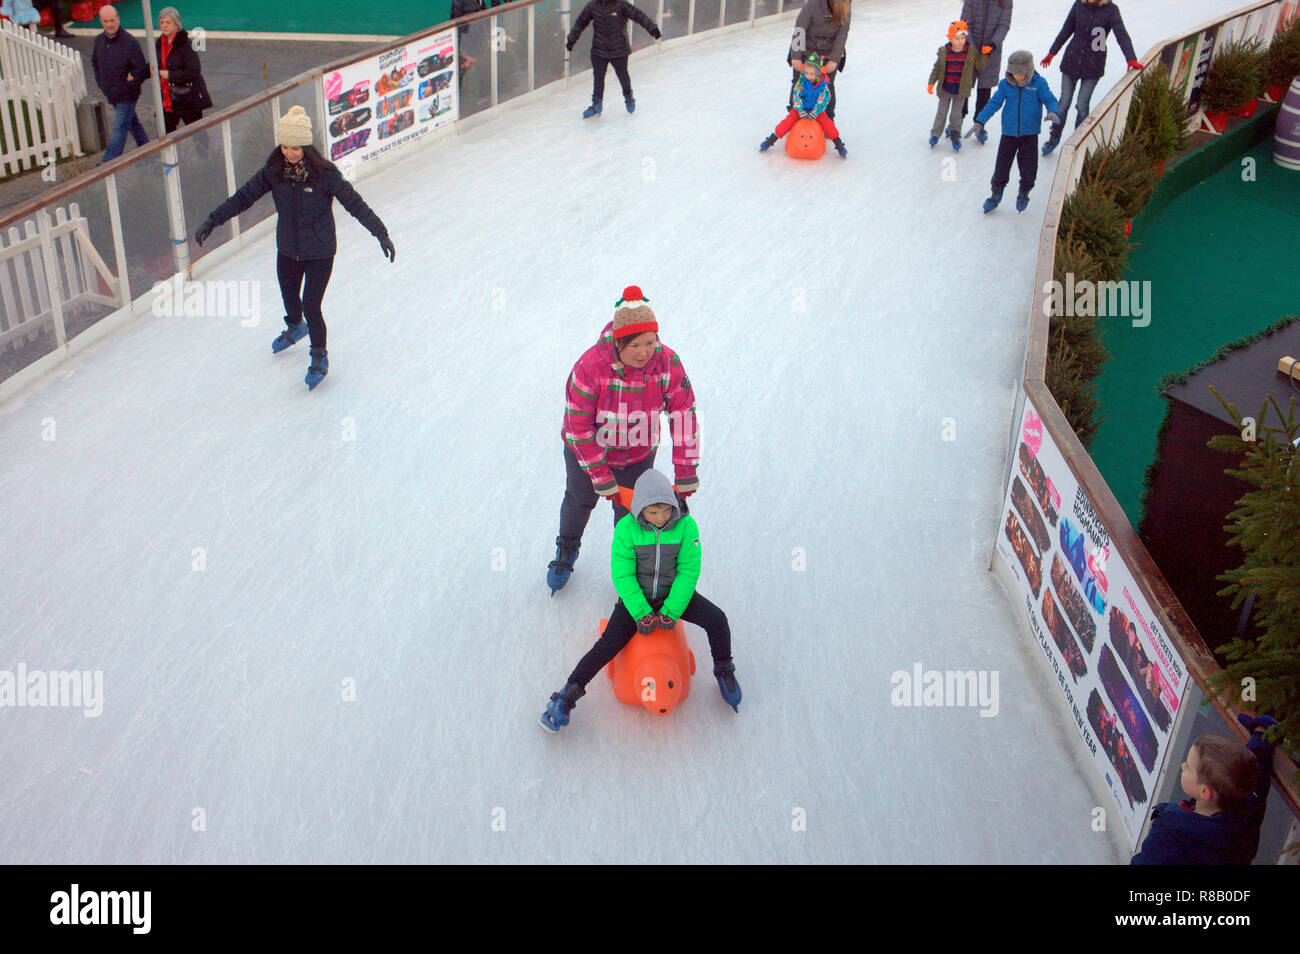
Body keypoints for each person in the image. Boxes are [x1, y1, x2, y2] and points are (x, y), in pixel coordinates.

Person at [193, 106, 395, 390]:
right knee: (290, 296)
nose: (290, 153)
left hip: (320, 251)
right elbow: (243, 198)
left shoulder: (325, 175)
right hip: (288, 248)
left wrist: (380, 233)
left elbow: (355, 204)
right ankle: (295, 326)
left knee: (312, 305)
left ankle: (319, 355)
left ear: (306, 146)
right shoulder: (274, 172)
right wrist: (213, 220)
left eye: (296, 147)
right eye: (285, 146)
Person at [540, 468, 739, 732]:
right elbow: (622, 574)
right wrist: (639, 611)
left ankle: (724, 669)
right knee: (607, 646)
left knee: (717, 619)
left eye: (666, 511)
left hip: (673, 594)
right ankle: (568, 695)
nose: (660, 518)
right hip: (638, 599)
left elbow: (689, 571)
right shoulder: (627, 529)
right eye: (653, 512)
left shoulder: (686, 526)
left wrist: (672, 609)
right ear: (640, 510)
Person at [547, 286, 699, 593]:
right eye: (635, 345)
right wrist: (600, 476)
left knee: (633, 514)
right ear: (618, 343)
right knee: (580, 501)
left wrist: (686, 471)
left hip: (637, 454)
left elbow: (684, 414)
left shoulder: (667, 363)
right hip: (588, 452)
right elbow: (578, 428)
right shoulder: (590, 367)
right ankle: (566, 549)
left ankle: (632, 572)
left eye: (650, 342)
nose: (645, 352)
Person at [1132, 715, 1277, 864]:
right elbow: (1257, 770)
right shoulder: (1245, 818)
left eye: (1188, 767)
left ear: (1205, 792)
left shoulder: (1169, 834)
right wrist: (1262, 734)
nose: (1183, 766)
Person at [1039, 0, 1142, 156]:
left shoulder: (1111, 10)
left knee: (1082, 104)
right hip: (1071, 61)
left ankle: (1077, 143)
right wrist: (1052, 52)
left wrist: (1131, 58)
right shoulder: (1079, 5)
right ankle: (1054, 137)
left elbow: (1122, 35)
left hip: (1093, 66)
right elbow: (1066, 30)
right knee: (1064, 102)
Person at [967, 49, 1060, 214]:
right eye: (1014, 72)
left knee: (1029, 167)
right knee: (1001, 166)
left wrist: (1052, 111)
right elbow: (993, 103)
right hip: (1009, 134)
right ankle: (996, 192)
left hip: (1029, 134)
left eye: (1021, 73)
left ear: (1028, 70)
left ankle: (1024, 191)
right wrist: (980, 121)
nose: (1017, 76)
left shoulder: (1038, 84)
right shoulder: (1005, 85)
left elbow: (1050, 99)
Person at [565, 0, 661, 118]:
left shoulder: (621, 5)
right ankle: (597, 104)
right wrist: (571, 39)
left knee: (622, 74)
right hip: (599, 50)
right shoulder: (593, 5)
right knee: (598, 77)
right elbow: (580, 23)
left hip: (619, 50)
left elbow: (638, 15)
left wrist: (652, 28)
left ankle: (628, 96)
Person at [92, 5, 151, 163]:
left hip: (127, 96)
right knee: (133, 124)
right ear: (101, 22)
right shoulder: (99, 41)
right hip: (112, 95)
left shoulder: (130, 42)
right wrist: (102, 84)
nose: (110, 24)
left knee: (119, 127)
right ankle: (149, 155)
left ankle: (108, 163)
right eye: (106, 21)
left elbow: (141, 70)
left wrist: (127, 88)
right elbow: (95, 64)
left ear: (118, 19)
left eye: (112, 20)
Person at [760, 52, 847, 158]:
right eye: (806, 73)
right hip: (801, 109)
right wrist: (800, 110)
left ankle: (838, 144)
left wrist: (816, 111)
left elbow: (824, 99)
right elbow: (797, 96)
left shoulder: (823, 85)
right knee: (787, 122)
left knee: (828, 125)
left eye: (811, 74)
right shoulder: (801, 83)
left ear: (818, 73)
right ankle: (770, 140)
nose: (808, 76)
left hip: (817, 111)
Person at [927, 20, 988, 150]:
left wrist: (985, 54)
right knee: (941, 114)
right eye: (956, 38)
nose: (960, 41)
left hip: (961, 91)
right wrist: (931, 82)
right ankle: (935, 135)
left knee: (956, 115)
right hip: (945, 89)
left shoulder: (970, 52)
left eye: (963, 38)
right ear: (950, 38)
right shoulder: (944, 52)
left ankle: (955, 134)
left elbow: (980, 65)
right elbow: (937, 68)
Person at [787, 0, 850, 122]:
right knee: (799, 84)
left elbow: (842, 33)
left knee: (827, 86)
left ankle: (827, 120)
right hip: (807, 51)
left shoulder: (846, 5)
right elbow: (799, 28)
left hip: (828, 53)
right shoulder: (814, 3)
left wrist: (834, 59)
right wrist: (795, 56)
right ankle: (794, 118)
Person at [960, 0, 1013, 140]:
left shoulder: (1005, 1)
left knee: (984, 89)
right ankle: (957, 121)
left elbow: (1004, 25)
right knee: (964, 86)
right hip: (970, 50)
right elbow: (965, 23)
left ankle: (980, 123)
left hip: (990, 53)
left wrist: (993, 43)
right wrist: (971, 46)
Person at [155, 8, 212, 136]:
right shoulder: (160, 43)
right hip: (169, 97)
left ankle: (205, 155)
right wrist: (136, 75)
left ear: (176, 25)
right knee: (165, 134)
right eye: (162, 22)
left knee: (197, 134)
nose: (164, 25)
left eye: (168, 22)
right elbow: (154, 64)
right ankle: (168, 156)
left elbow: (194, 71)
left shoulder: (186, 44)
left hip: (188, 98)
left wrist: (170, 75)